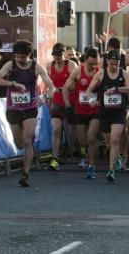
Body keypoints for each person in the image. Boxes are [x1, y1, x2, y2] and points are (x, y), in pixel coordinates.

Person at [0, 40, 55, 187]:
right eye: (17, 56)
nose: (19, 59)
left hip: (29, 108)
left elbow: (52, 87)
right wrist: (13, 84)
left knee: (27, 140)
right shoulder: (10, 65)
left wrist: (44, 97)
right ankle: (26, 153)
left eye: (23, 57)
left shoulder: (36, 67)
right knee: (19, 143)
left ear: (29, 55)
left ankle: (25, 174)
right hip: (13, 108)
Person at [85, 49, 129, 183]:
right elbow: (89, 90)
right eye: (112, 63)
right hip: (105, 111)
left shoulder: (124, 74)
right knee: (108, 142)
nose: (114, 66)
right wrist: (91, 100)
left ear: (119, 62)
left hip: (119, 111)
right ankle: (117, 158)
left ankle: (111, 170)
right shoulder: (101, 74)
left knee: (114, 139)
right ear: (107, 62)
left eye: (116, 63)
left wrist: (117, 89)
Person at [62, 47, 100, 179]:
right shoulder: (78, 71)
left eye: (95, 63)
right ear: (84, 61)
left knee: (91, 138)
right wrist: (67, 103)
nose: (93, 66)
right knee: (82, 141)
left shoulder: (100, 72)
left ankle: (92, 166)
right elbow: (65, 88)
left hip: (96, 111)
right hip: (80, 110)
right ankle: (89, 155)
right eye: (90, 63)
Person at [46, 43, 78, 171]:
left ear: (64, 54)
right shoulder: (49, 66)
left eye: (60, 54)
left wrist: (62, 89)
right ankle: (55, 158)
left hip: (70, 102)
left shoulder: (71, 65)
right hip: (57, 102)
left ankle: (78, 151)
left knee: (73, 133)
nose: (57, 57)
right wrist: (49, 95)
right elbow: (49, 84)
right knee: (56, 129)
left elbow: (76, 86)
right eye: (55, 55)